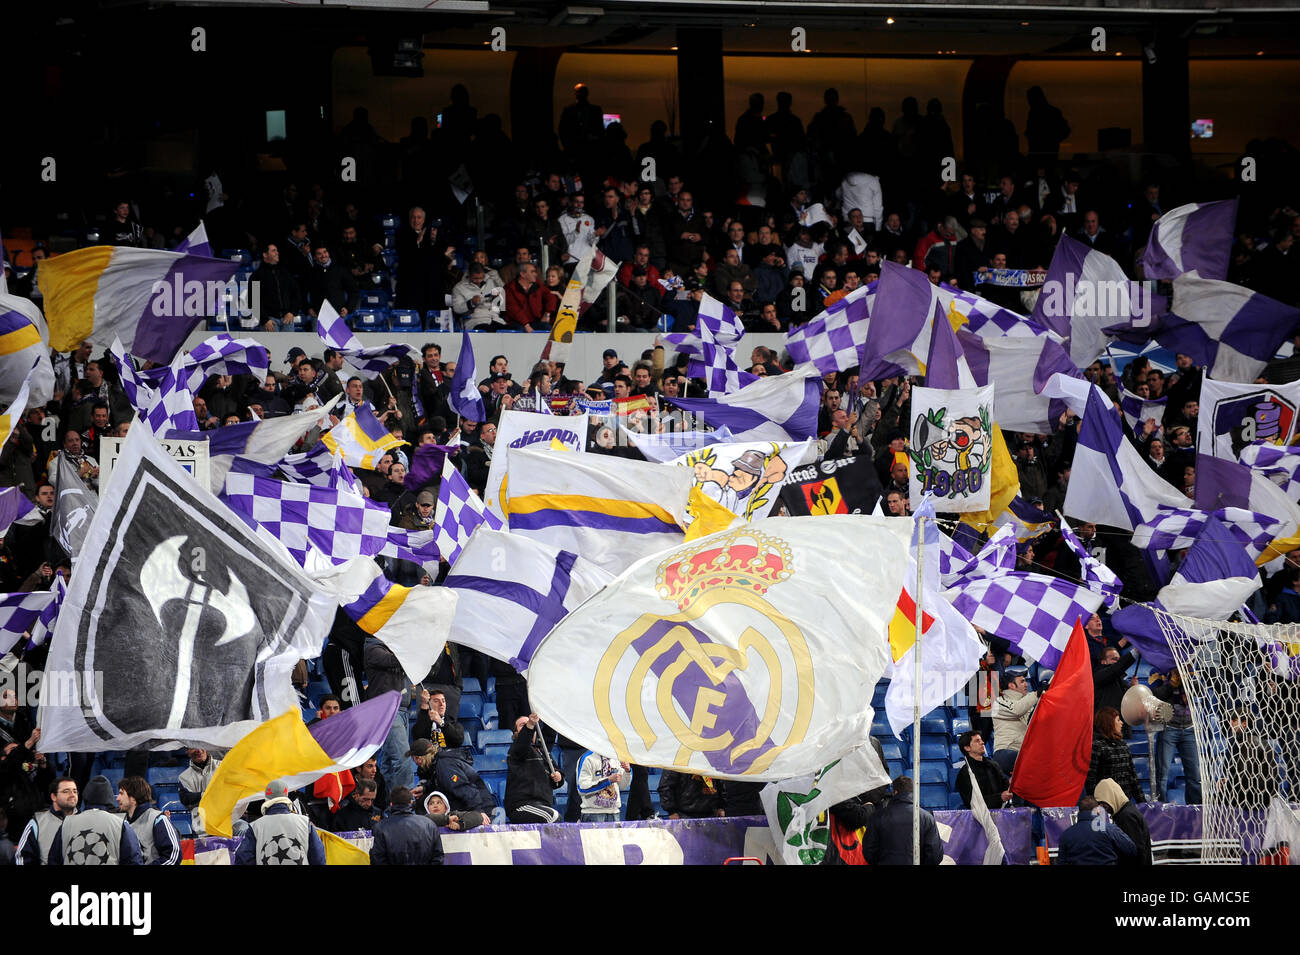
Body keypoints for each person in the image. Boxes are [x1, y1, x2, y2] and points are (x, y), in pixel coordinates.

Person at [48, 775, 143, 865]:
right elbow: (133, 860)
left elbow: (53, 860)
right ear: (109, 798)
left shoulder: (66, 823)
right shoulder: (121, 824)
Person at [233, 779, 326, 866]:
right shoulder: (305, 823)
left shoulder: (255, 827)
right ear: (286, 796)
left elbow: (243, 859)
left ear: (266, 799)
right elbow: (318, 859)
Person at [863, 776, 942, 865]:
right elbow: (935, 855)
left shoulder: (877, 816)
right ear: (913, 792)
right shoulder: (927, 818)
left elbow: (869, 851)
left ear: (895, 792)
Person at [1152, 670, 1202, 804]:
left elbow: (1200, 691)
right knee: (1162, 773)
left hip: (1189, 728)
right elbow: (1154, 695)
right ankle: (1160, 807)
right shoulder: (1158, 670)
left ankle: (1196, 808)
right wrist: (1170, 684)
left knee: (1195, 774)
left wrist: (1190, 678)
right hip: (1169, 727)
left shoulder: (1192, 672)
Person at [505, 713, 564, 824]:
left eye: (531, 725)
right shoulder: (515, 750)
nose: (528, 726)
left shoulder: (543, 751)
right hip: (522, 806)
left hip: (542, 805)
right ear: (516, 733)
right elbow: (522, 743)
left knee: (554, 816)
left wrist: (559, 777)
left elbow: (556, 780)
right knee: (552, 817)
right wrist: (530, 724)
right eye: (523, 725)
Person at [1085, 707, 1146, 806]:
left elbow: (1132, 777)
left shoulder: (1123, 744)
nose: (1122, 723)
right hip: (1105, 804)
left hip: (1125, 802)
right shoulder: (1096, 745)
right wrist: (1095, 804)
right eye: (1118, 720)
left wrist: (1142, 803)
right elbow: (1090, 778)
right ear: (1108, 723)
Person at [115, 776, 180, 865]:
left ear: (133, 798)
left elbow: (173, 857)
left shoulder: (158, 819)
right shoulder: (120, 822)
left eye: (121, 794)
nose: (117, 798)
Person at [370, 786, 444, 865]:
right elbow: (438, 857)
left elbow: (377, 859)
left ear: (391, 804)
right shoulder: (429, 825)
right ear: (411, 802)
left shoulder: (380, 827)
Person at [16, 777, 79, 866]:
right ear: (54, 797)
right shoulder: (38, 822)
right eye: (66, 791)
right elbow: (22, 857)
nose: (72, 794)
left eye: (75, 791)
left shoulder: (86, 820)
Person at [1056, 796, 1136, 865]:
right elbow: (1131, 849)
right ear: (1098, 810)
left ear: (1079, 811)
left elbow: (1061, 861)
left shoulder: (1066, 834)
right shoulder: (1110, 829)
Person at [1094, 777, 1153, 865]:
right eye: (1099, 803)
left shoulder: (1126, 816)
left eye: (1103, 802)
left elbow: (1137, 851)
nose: (1101, 807)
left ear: (1112, 796)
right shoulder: (1125, 812)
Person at [991, 668, 1037, 775]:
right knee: (1036, 763)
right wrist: (1036, 695)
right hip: (1005, 752)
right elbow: (1017, 710)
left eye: (1025, 681)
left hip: (1022, 752)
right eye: (1022, 681)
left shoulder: (1027, 704)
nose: (1026, 684)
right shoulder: (998, 702)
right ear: (1011, 685)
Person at [954, 730, 1012, 810]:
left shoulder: (993, 765)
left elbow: (1006, 786)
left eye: (981, 740)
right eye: (977, 741)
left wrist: (1012, 783)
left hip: (1002, 812)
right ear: (967, 748)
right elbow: (972, 803)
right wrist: (999, 798)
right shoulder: (964, 774)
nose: (982, 742)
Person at [577, 750, 632, 822]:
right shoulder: (587, 758)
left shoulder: (617, 757)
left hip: (614, 813)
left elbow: (622, 786)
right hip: (593, 813)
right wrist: (607, 781)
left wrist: (627, 771)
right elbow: (582, 788)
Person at [657, 771, 724, 819]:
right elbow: (665, 787)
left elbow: (720, 783)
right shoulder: (677, 760)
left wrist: (720, 806)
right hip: (683, 814)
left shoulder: (710, 758)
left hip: (711, 812)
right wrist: (672, 811)